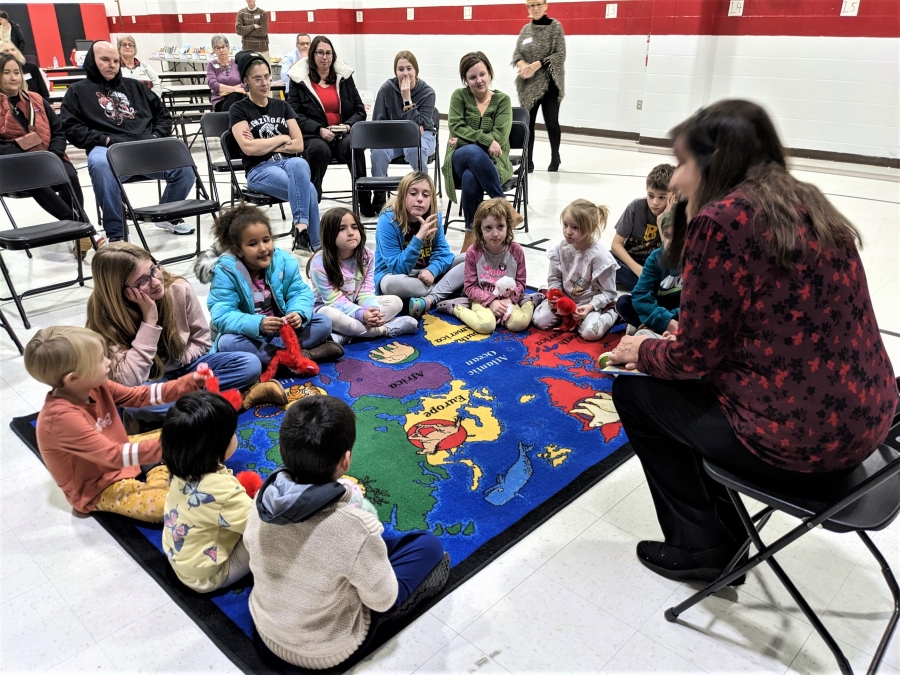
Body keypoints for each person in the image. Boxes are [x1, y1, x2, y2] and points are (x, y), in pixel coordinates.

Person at [606, 99, 897, 584]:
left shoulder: (721, 222)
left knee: (636, 393)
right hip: (871, 427)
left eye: (682, 163)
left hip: (806, 446)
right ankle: (724, 532)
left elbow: (693, 360)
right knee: (677, 387)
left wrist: (645, 350)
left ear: (712, 162)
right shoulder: (807, 202)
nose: (675, 181)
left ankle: (704, 546)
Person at [244, 395, 450, 669]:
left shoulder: (263, 497)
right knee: (429, 546)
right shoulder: (353, 527)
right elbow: (383, 600)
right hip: (325, 651)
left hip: (265, 628)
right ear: (346, 461)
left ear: (282, 451)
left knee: (368, 550)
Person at [23, 326, 205, 522]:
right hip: (99, 486)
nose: (108, 362)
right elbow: (113, 456)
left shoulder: (96, 384)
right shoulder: (60, 419)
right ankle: (158, 470)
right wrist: (171, 448)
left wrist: (187, 383)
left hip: (121, 451)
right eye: (101, 359)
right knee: (165, 507)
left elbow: (140, 396)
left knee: (185, 432)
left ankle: (157, 466)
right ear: (74, 378)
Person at [85, 242, 279, 422]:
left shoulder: (178, 288)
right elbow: (129, 380)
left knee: (250, 364)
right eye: (143, 280)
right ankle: (223, 402)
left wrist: (178, 365)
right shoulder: (103, 314)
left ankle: (189, 409)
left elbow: (202, 343)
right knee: (134, 402)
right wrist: (149, 321)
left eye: (154, 268)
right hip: (151, 380)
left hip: (188, 366)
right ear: (119, 290)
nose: (155, 281)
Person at [60, 41, 195, 242]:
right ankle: (117, 234)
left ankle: (168, 215)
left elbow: (163, 116)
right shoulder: (77, 91)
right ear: (92, 61)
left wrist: (157, 136)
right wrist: (103, 139)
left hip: (144, 147)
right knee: (99, 163)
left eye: (115, 60)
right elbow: (72, 127)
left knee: (185, 167)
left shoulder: (135, 87)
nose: (112, 65)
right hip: (107, 148)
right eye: (105, 60)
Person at [201, 204, 343, 367]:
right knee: (227, 343)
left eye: (266, 240)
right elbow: (222, 315)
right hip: (251, 334)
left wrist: (298, 314)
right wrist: (259, 324)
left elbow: (299, 292)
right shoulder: (226, 271)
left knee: (324, 323)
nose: (262, 248)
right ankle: (299, 356)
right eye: (253, 244)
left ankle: (281, 359)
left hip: (281, 330)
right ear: (238, 250)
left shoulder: (284, 261)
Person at [161, 391, 253, 592]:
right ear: (217, 447)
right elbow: (259, 525)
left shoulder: (179, 468)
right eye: (232, 433)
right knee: (267, 535)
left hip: (177, 557)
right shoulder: (226, 492)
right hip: (208, 577)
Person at [229, 50, 320, 253]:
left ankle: (301, 230)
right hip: (259, 169)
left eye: (267, 77)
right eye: (257, 79)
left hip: (288, 164)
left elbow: (298, 145)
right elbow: (249, 148)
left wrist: (265, 143)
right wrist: (280, 138)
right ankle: (316, 245)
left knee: (299, 162)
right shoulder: (239, 109)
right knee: (309, 190)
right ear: (246, 81)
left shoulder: (282, 106)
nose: (264, 83)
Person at [286, 35, 370, 214]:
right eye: (320, 53)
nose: (324, 57)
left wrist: (347, 126)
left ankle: (364, 201)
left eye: (328, 53)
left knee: (353, 146)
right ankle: (311, 202)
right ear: (312, 55)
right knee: (318, 150)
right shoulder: (299, 80)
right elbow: (294, 115)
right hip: (314, 135)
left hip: (342, 133)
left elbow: (359, 111)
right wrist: (319, 129)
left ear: (333, 56)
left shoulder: (344, 78)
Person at [309, 207, 417, 344]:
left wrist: (373, 312)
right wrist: (361, 314)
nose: (350, 233)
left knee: (396, 302)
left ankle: (346, 336)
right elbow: (334, 301)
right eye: (342, 228)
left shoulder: (366, 256)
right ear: (329, 234)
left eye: (354, 227)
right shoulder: (319, 262)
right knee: (327, 315)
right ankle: (384, 330)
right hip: (330, 308)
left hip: (356, 305)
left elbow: (366, 292)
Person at [0, 53, 84, 223]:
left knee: (69, 175)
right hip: (16, 164)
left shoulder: (36, 99)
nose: (13, 77)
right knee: (36, 178)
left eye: (16, 72)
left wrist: (53, 154)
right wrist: (29, 159)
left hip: (49, 156)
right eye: (6, 72)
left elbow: (58, 130)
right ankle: (77, 225)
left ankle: (77, 229)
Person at [443, 52, 514, 251]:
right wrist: (485, 139)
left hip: (493, 163)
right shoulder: (459, 96)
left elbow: (499, 137)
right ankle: (504, 206)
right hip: (458, 159)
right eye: (472, 77)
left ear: (490, 73)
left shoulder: (502, 101)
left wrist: (463, 140)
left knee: (470, 176)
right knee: (472, 153)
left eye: (482, 74)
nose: (478, 80)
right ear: (465, 79)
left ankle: (471, 234)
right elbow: (456, 125)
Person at [436, 198, 537, 334]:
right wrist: (491, 302)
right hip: (482, 297)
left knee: (518, 324)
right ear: (480, 229)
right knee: (486, 326)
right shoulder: (473, 251)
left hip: (507, 298)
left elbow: (520, 282)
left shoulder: (516, 250)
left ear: (508, 226)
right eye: (488, 228)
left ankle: (529, 301)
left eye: (500, 226)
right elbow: (470, 287)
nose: (495, 234)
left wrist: (511, 299)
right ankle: (456, 308)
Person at [374, 172, 464, 319]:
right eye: (413, 193)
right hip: (400, 277)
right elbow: (397, 269)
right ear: (403, 195)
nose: (420, 199)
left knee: (468, 259)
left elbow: (443, 253)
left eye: (426, 195)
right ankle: (445, 290)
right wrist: (419, 237)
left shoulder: (434, 217)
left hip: (427, 275)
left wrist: (432, 270)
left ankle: (428, 298)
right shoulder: (388, 220)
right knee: (390, 285)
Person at [532, 199, 618, 340]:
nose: (568, 232)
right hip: (565, 300)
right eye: (565, 225)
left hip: (588, 303)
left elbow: (609, 292)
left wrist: (591, 306)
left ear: (591, 227)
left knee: (590, 333)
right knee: (539, 321)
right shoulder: (560, 248)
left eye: (575, 227)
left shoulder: (601, 257)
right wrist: (556, 295)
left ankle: (612, 313)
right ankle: (562, 314)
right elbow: (554, 278)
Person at [370, 51, 437, 213]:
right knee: (378, 152)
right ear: (395, 72)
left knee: (414, 148)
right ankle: (379, 192)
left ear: (416, 70)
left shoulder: (427, 92)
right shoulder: (387, 89)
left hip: (423, 136)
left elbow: (422, 125)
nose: (405, 73)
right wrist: (407, 128)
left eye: (409, 68)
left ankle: (423, 192)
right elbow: (378, 122)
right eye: (401, 69)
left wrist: (407, 99)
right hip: (392, 136)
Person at [512, 0, 566, 172]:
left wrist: (538, 64)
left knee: (552, 123)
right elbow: (517, 54)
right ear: (527, 8)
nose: (535, 8)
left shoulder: (555, 27)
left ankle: (555, 156)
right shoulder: (525, 30)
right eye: (531, 5)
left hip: (550, 83)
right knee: (528, 124)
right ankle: (528, 161)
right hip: (529, 85)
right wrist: (522, 66)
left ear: (545, 6)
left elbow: (560, 54)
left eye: (538, 4)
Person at [615, 207, 681, 335]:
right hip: (657, 308)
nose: (670, 243)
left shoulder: (696, 260)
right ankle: (655, 329)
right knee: (623, 302)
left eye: (678, 237)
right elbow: (640, 293)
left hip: (680, 312)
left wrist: (667, 319)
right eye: (666, 236)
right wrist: (663, 320)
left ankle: (650, 329)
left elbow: (698, 302)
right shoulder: (655, 257)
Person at [611, 163, 674, 291]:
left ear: (673, 196)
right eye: (651, 195)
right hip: (632, 259)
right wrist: (637, 269)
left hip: (657, 262)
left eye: (662, 197)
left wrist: (662, 222)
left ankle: (644, 286)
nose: (654, 202)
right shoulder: (636, 206)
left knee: (674, 270)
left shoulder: (678, 213)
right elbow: (616, 245)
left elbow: (670, 254)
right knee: (604, 259)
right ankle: (649, 286)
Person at [206, 35, 245, 112]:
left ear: (228, 47)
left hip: (240, 98)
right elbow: (213, 84)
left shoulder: (237, 63)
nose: (221, 50)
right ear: (214, 50)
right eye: (218, 48)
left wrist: (227, 91)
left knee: (236, 97)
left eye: (223, 47)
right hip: (220, 100)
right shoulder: (211, 65)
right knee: (234, 97)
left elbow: (245, 82)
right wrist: (235, 89)